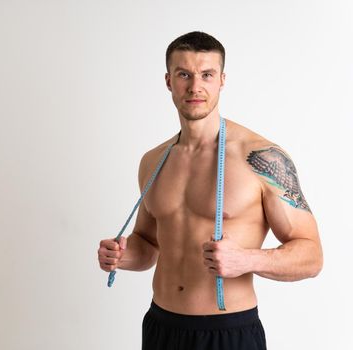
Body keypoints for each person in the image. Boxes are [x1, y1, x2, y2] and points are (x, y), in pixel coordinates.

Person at [97, 31, 323, 350]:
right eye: (184, 74)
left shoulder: (261, 159)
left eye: (206, 74)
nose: (195, 86)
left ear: (222, 80)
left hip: (228, 332)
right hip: (161, 327)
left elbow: (312, 256)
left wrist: (247, 260)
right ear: (168, 81)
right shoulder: (153, 161)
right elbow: (148, 244)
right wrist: (121, 254)